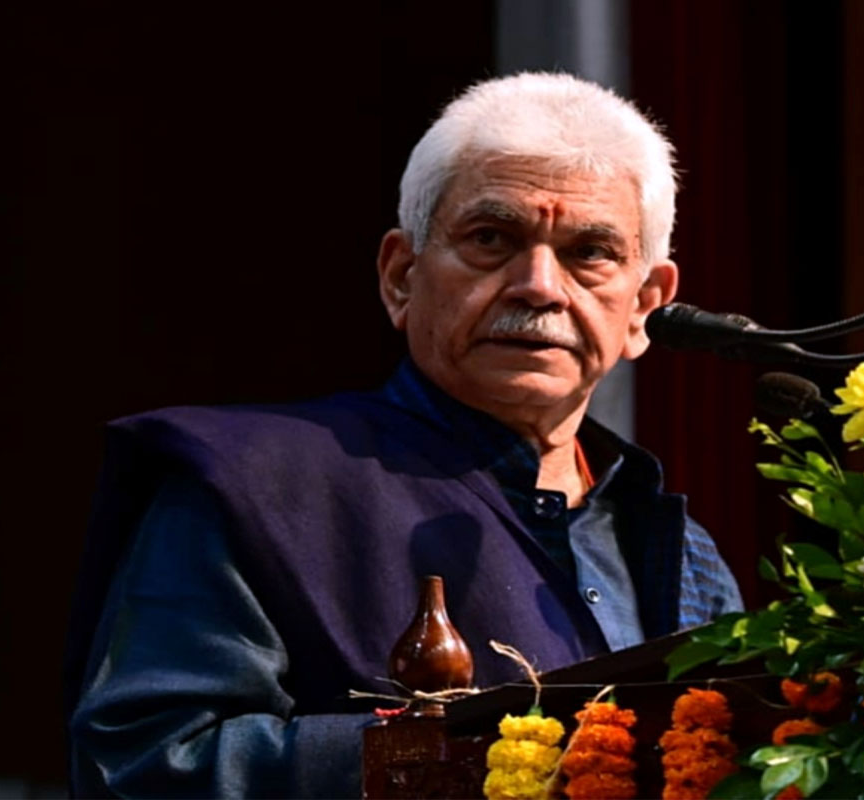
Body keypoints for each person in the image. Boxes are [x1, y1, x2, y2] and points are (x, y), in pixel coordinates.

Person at [65, 72, 743, 798]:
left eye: (590, 252)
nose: (541, 285)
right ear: (400, 277)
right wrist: (458, 759)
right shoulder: (256, 487)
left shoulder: (683, 556)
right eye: (491, 239)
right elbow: (146, 766)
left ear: (644, 307)